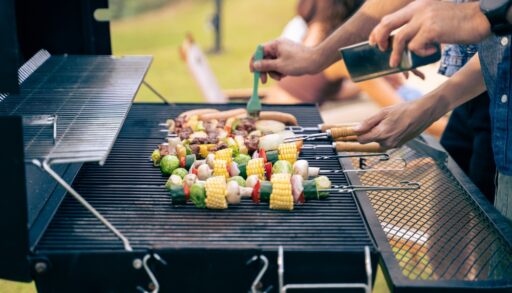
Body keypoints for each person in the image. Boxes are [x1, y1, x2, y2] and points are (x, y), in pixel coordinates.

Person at [356, 0, 512, 221]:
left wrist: (478, 16)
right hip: (478, 103)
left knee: (484, 230)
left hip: (493, 108)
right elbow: (496, 48)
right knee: (446, 223)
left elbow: (491, 28)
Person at [267, 0, 446, 137]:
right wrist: (450, 130)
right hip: (289, 127)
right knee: (381, 113)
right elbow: (400, 111)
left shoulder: (316, 36)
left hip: (274, 109)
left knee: (371, 102)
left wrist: (362, 82)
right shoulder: (341, 57)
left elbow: (323, 87)